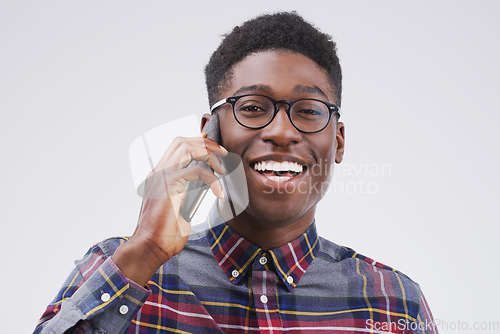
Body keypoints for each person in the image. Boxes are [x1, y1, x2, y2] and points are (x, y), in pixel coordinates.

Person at [34, 11, 438, 334]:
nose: (281, 131)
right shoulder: (120, 268)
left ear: (340, 141)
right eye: (252, 107)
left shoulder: (395, 303)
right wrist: (144, 253)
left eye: (309, 111)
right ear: (210, 134)